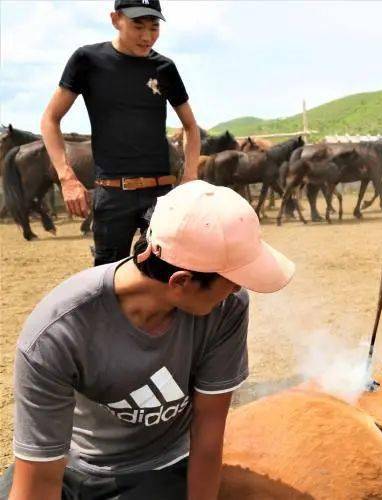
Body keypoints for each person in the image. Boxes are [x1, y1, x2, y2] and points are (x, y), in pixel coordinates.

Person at [1, 180, 295, 499]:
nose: (238, 289)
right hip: (71, 469)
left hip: (162, 468)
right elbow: (40, 479)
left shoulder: (227, 310)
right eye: (233, 281)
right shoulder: (57, 332)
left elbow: (207, 434)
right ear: (181, 282)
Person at [40, 0, 201, 266]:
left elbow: (191, 127)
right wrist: (67, 177)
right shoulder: (87, 60)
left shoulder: (165, 68)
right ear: (116, 20)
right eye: (138, 26)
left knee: (169, 272)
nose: (147, 36)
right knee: (106, 277)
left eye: (154, 27)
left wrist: (190, 176)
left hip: (161, 196)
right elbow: (50, 119)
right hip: (113, 193)